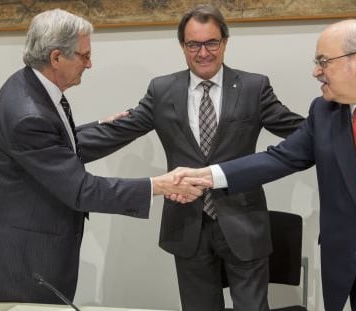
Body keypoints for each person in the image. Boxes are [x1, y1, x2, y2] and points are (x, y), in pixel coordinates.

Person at [77, 4, 304, 311]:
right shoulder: (162, 90)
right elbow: (117, 132)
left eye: (211, 42)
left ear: (225, 41)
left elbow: (297, 130)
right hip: (187, 227)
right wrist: (55, 142)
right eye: (193, 44)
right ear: (183, 46)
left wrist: (339, 132)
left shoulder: (253, 87)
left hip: (244, 222)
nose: (203, 52)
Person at [176, 19, 356, 311]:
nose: (316, 71)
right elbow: (280, 157)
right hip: (355, 269)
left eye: (323, 61)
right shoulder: (325, 111)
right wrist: (208, 176)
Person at [0, 9, 208, 304]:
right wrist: (159, 185)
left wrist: (103, 127)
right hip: (29, 261)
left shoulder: (27, 86)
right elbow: (82, 190)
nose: (90, 64)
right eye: (84, 56)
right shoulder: (28, 115)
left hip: (39, 248)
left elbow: (57, 148)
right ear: (56, 57)